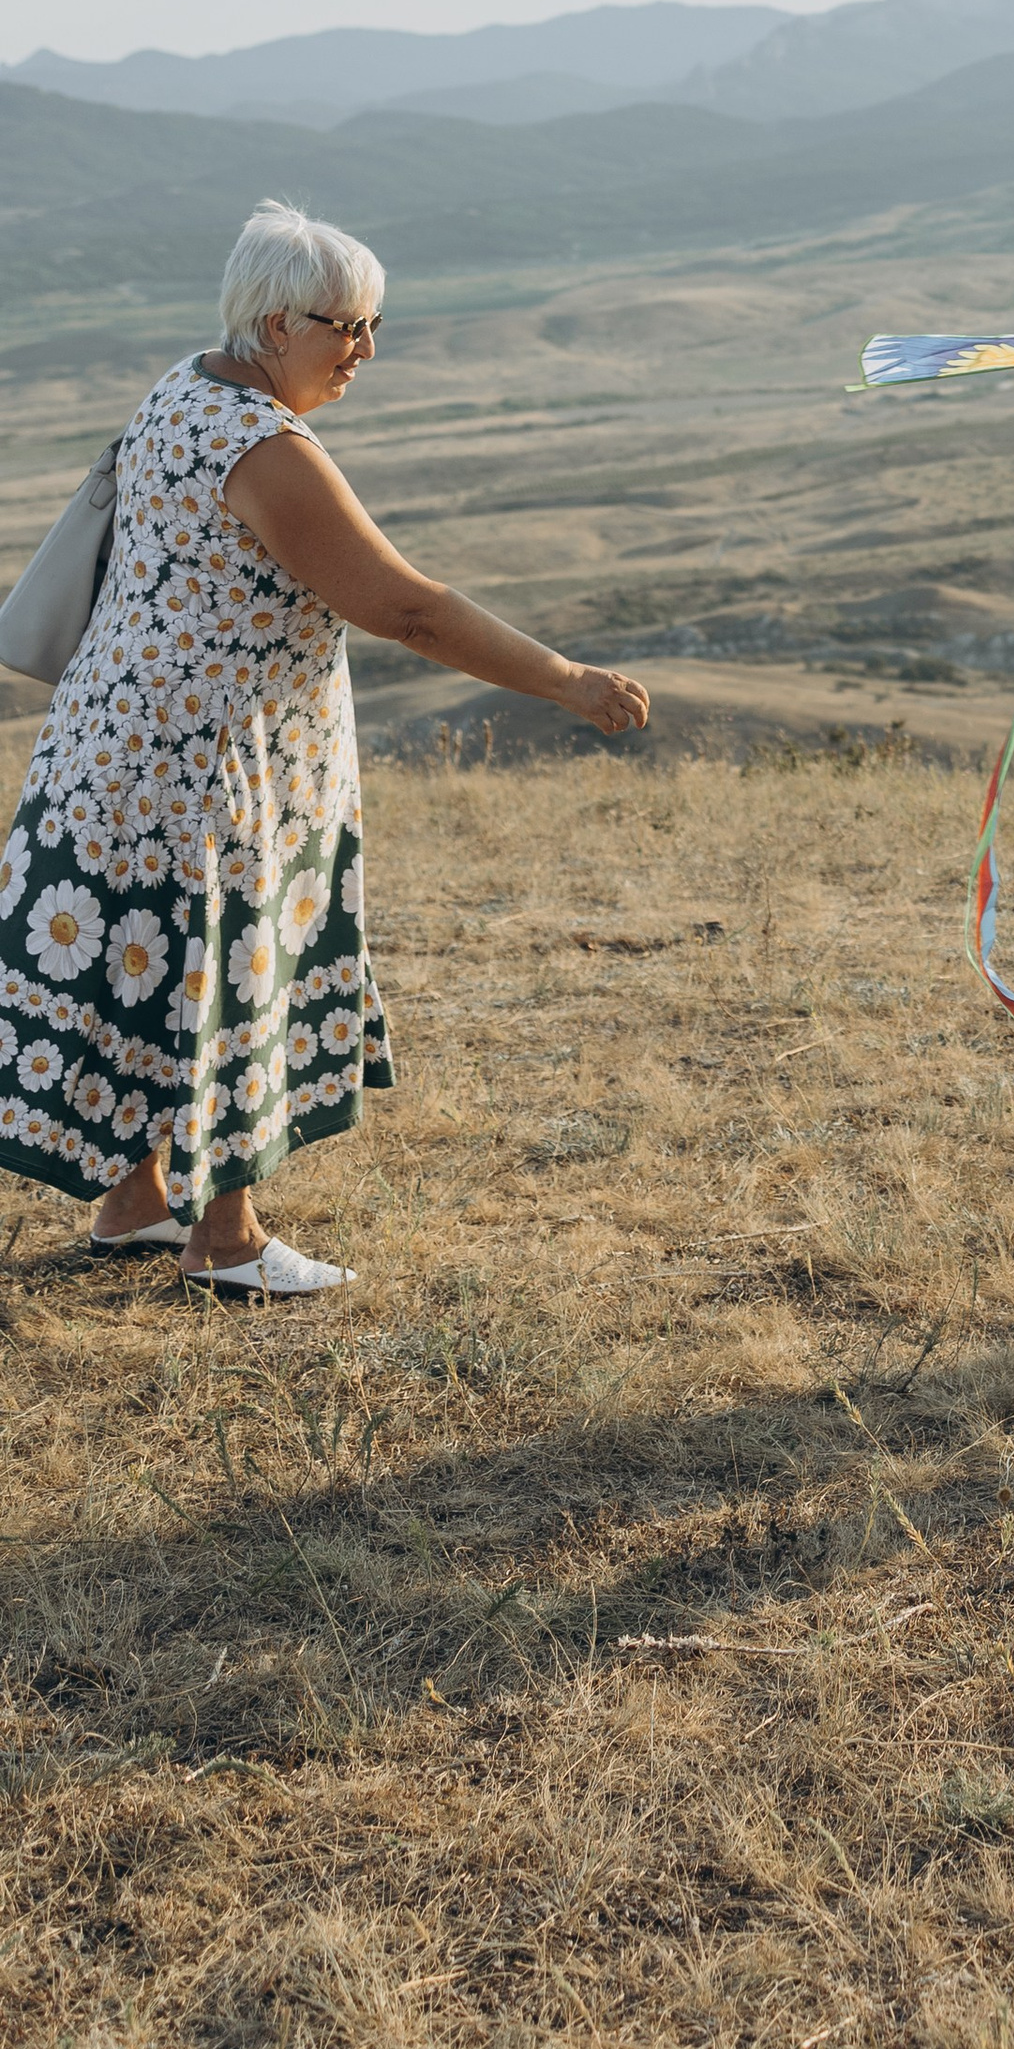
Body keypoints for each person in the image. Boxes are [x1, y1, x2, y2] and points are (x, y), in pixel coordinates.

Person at [0, 200, 648, 1299]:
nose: (363, 351)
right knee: (225, 984)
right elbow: (409, 610)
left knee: (148, 976)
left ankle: (136, 1201)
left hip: (114, 757)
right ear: (269, 322)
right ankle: (229, 1239)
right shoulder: (264, 448)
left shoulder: (184, 387)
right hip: (207, 777)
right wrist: (568, 683)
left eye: (373, 325)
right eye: (340, 325)